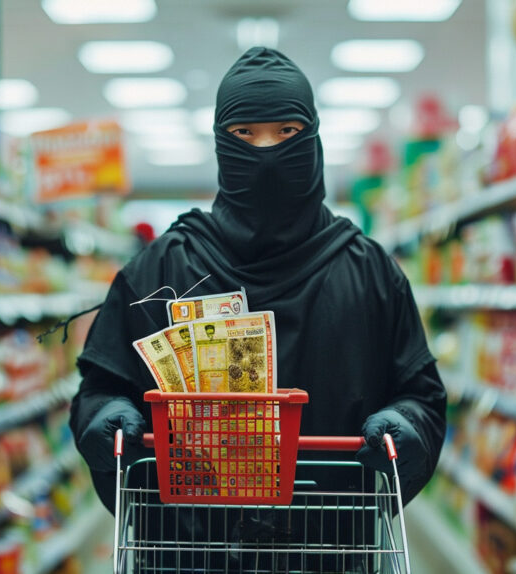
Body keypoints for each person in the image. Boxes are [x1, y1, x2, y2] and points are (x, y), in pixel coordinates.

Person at [70, 47, 447, 570]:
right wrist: (107, 418)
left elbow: (420, 394)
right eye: (245, 134)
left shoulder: (369, 273)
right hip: (184, 553)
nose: (267, 152)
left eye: (287, 132)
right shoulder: (160, 271)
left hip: (331, 552)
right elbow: (100, 387)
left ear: (313, 139)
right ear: (221, 144)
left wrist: (405, 424)